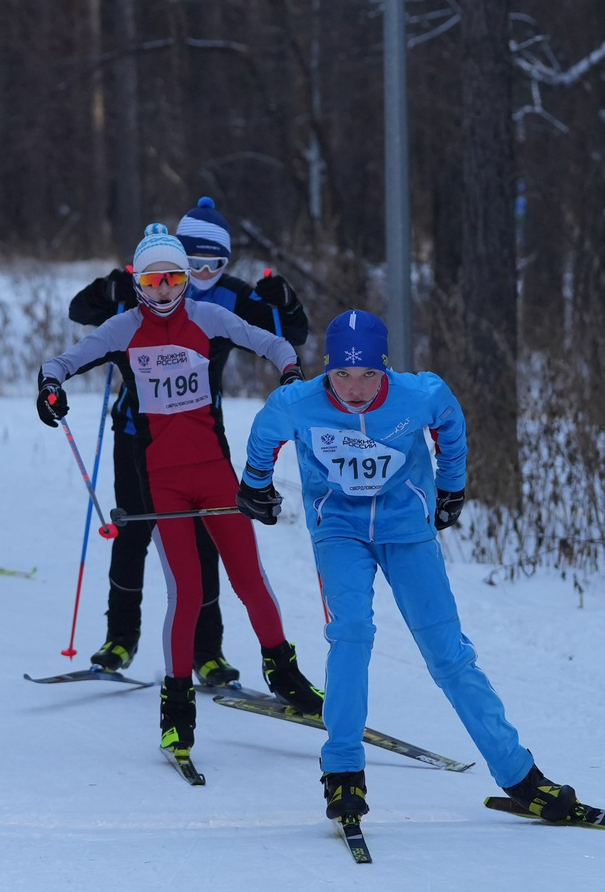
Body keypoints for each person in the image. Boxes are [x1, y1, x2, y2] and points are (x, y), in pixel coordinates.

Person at [237, 308, 578, 829]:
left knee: (449, 656)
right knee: (350, 633)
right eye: (343, 375)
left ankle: (520, 776)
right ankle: (344, 768)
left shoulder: (419, 395)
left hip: (406, 530)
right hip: (340, 531)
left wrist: (452, 486)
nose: (354, 388)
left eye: (368, 374)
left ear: (386, 368)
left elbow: (451, 423)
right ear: (327, 367)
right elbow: (264, 434)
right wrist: (255, 483)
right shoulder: (298, 402)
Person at [37, 224, 313, 768]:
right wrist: (49, 392)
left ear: (186, 282)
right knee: (186, 592)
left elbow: (275, 342)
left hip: (214, 473)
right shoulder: (121, 329)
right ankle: (177, 706)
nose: (163, 291)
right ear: (137, 281)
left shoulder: (209, 318)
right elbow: (60, 363)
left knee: (249, 578)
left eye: (174, 280)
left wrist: (290, 373)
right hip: (162, 482)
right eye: (152, 280)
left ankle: (285, 674)